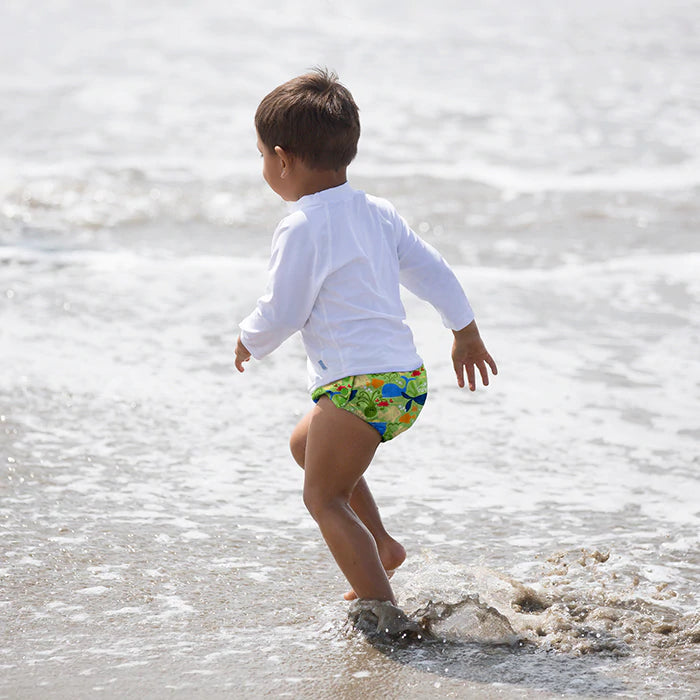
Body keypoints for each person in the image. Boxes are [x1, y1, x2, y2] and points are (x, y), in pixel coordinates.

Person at [235, 68, 497, 608]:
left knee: (323, 498)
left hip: (358, 388)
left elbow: (284, 309)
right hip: (403, 383)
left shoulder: (301, 226)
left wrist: (250, 339)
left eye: (261, 155)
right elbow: (431, 270)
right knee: (305, 445)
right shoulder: (377, 212)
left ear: (282, 159)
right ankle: (380, 544)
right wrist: (464, 330)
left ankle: (384, 613)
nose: (263, 168)